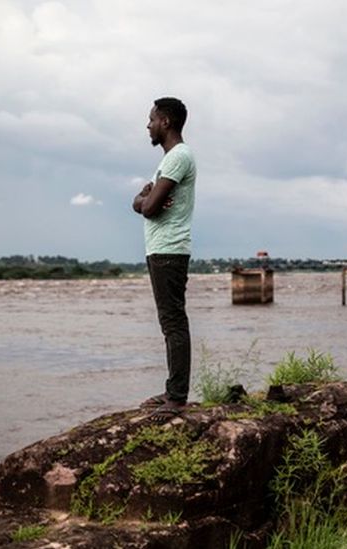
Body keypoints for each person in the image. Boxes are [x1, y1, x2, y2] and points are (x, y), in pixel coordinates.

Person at [132, 97, 196, 422]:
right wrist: (143, 200)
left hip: (169, 250)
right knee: (169, 322)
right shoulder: (172, 159)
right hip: (162, 249)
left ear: (165, 122)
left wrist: (142, 198)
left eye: (151, 119)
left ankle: (177, 398)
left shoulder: (178, 158)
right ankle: (174, 390)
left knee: (173, 322)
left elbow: (150, 207)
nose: (148, 125)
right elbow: (146, 204)